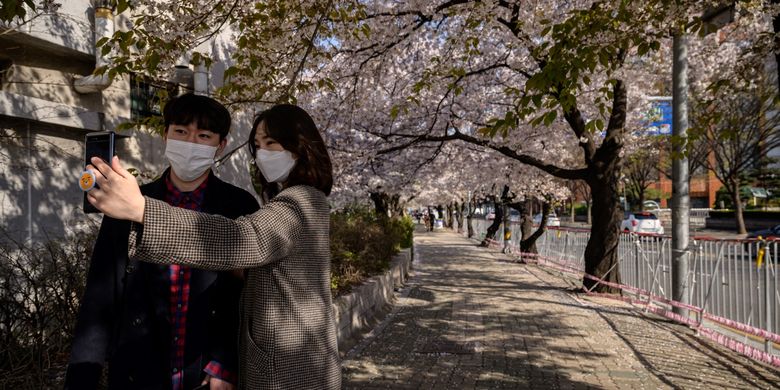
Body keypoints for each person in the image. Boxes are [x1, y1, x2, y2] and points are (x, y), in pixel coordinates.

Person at [85, 104, 341, 389]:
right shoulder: (300, 200)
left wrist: (142, 210)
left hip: (288, 372)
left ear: (300, 146)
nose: (263, 154)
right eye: (257, 145)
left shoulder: (299, 202)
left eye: (272, 142)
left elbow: (242, 238)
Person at [65, 93, 260, 390]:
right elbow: (101, 296)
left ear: (220, 145)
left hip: (207, 374)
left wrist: (224, 363)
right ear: (165, 134)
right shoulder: (129, 201)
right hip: (138, 371)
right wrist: (82, 378)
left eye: (204, 135)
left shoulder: (239, 205)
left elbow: (246, 295)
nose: (191, 142)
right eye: (181, 132)